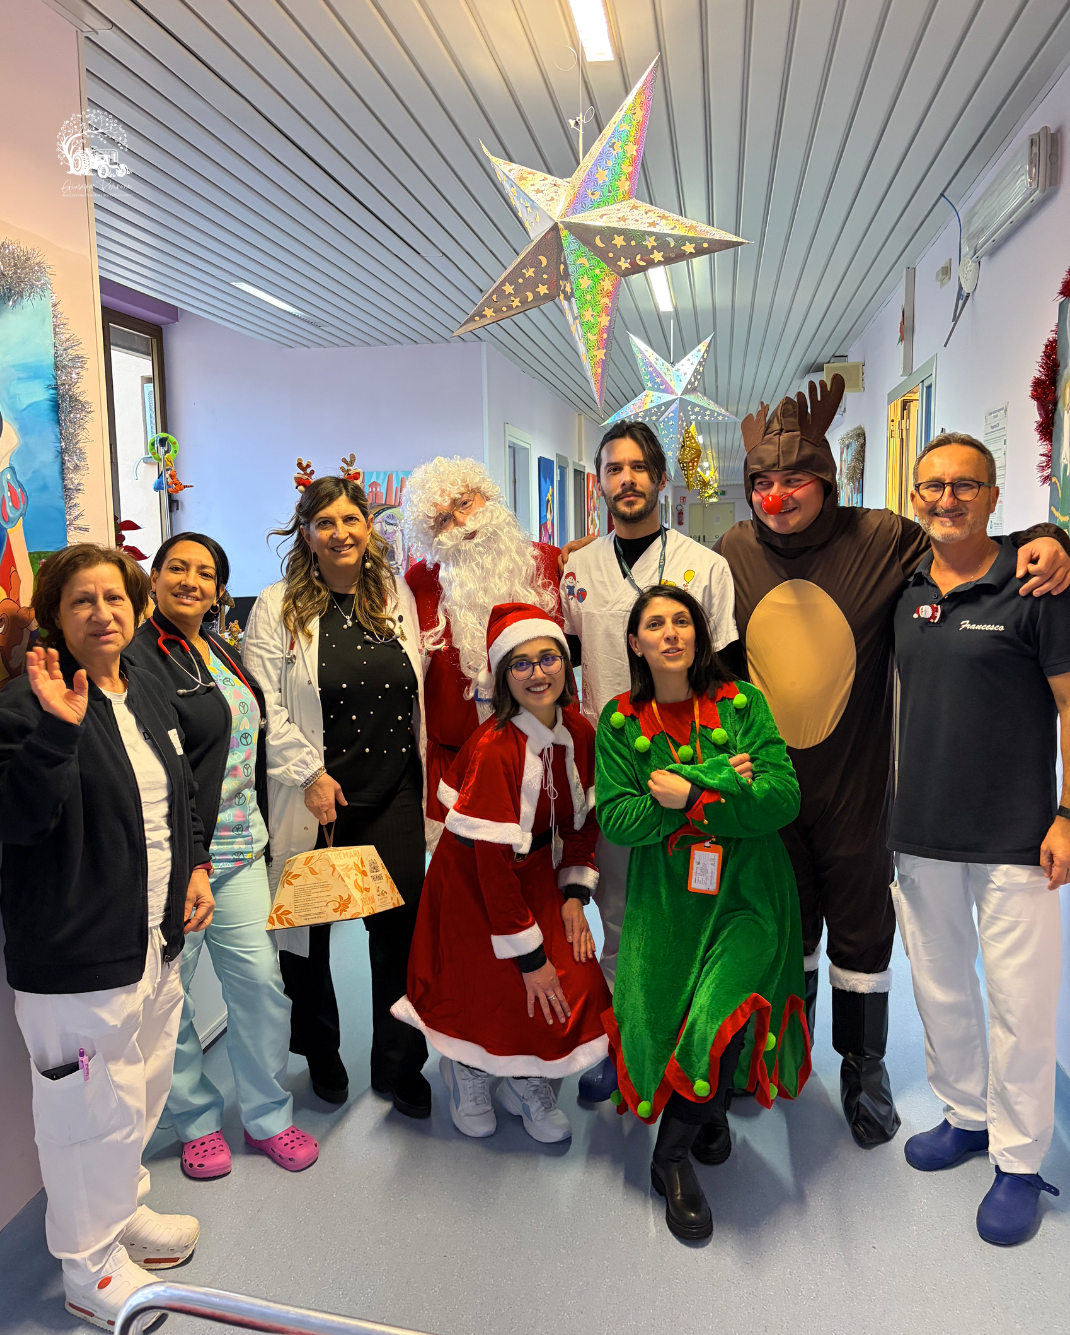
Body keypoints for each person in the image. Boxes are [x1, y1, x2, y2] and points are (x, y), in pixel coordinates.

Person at [714, 375, 1070, 1148]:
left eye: (795, 479)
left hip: (860, 786)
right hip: (767, 788)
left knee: (863, 929)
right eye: (763, 482)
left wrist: (1052, 537)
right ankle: (781, 1049)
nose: (778, 496)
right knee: (780, 923)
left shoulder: (882, 538)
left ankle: (862, 1064)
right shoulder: (733, 549)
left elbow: (970, 544)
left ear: (827, 480)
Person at [0, 544, 214, 1331]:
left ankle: (124, 1213)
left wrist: (195, 868)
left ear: (136, 607)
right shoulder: (21, 708)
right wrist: (56, 731)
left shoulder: (143, 687)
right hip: (78, 956)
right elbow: (14, 820)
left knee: (142, 1089)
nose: (102, 613)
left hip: (154, 939)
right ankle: (88, 1269)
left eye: (115, 598)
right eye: (82, 600)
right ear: (55, 615)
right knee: (86, 1117)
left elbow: (177, 797)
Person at [890, 434, 1069, 1246]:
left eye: (966, 485)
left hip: (1017, 837)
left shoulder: (1037, 587)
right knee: (940, 989)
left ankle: (1021, 1160)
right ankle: (965, 1114)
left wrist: (1068, 815)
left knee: (1020, 1005)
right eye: (932, 486)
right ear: (914, 497)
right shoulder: (904, 588)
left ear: (995, 496)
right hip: (922, 829)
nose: (947, 499)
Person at [594, 585, 808, 1242]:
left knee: (723, 1006)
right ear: (636, 643)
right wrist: (726, 778)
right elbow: (619, 818)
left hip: (749, 895)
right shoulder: (619, 721)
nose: (670, 633)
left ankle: (670, 1158)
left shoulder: (742, 704)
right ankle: (707, 1110)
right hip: (668, 903)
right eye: (655, 624)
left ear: (700, 633)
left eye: (682, 621)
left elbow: (781, 799)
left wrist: (692, 792)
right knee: (674, 1014)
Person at [559, 420, 740, 1103]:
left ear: (661, 479)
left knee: (693, 910)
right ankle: (623, 1042)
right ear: (600, 484)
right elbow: (562, 667)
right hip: (613, 764)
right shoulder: (577, 571)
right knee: (619, 910)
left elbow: (727, 672)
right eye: (614, 469)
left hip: (689, 763)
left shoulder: (705, 565)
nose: (627, 480)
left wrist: (715, 773)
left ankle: (692, 1048)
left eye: (638, 468)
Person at [129, 532, 318, 1177]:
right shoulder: (137, 661)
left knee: (261, 986)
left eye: (205, 573)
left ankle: (268, 1116)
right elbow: (164, 772)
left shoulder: (220, 650)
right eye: (177, 568)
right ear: (154, 579)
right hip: (179, 863)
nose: (191, 581)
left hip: (242, 850)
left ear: (218, 590)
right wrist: (191, 862)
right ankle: (196, 1121)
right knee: (172, 1000)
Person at [243, 475, 430, 1117]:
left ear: (368, 527)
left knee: (399, 939)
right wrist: (308, 774)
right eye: (325, 522)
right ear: (306, 534)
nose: (341, 532)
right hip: (319, 802)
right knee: (309, 939)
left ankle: (399, 1066)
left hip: (394, 794)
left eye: (351, 519)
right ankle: (322, 1055)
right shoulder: (277, 606)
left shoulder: (394, 595)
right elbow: (265, 704)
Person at [392, 603, 611, 1142]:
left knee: (572, 977)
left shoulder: (580, 732)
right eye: (521, 663)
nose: (538, 673)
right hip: (470, 880)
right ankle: (467, 1068)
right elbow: (490, 867)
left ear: (565, 664)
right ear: (504, 676)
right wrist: (531, 958)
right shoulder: (495, 747)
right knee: (485, 982)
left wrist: (574, 895)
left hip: (533, 872)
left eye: (548, 658)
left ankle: (527, 1078)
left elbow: (584, 823)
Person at [401, 456, 564, 842]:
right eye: (443, 519)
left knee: (538, 865)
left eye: (464, 503)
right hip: (454, 769)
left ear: (486, 498)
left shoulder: (549, 562)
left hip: (541, 757)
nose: (461, 522)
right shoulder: (418, 583)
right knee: (460, 872)